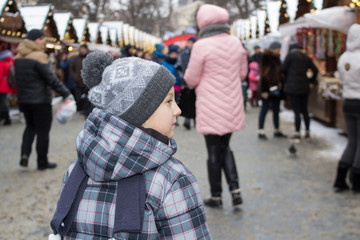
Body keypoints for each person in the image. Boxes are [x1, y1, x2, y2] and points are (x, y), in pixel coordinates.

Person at [49, 52, 211, 239]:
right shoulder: (172, 181)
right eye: (168, 101)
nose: (178, 110)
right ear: (138, 113)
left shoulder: (75, 172)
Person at [184, 4, 248, 208]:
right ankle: (235, 190)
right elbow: (242, 74)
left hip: (210, 106)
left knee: (213, 150)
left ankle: (216, 195)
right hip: (232, 105)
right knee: (226, 147)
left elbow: (191, 80)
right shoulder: (236, 42)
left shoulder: (201, 46)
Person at [15, 29, 70, 170]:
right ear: (34, 40)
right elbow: (50, 79)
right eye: (40, 38)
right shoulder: (39, 56)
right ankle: (42, 162)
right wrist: (65, 93)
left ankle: (24, 155)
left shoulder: (18, 56)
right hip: (40, 101)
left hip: (23, 100)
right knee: (43, 131)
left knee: (29, 127)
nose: (43, 41)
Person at [333, 24, 360, 193]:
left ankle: (340, 178)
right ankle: (357, 181)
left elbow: (342, 77)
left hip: (347, 101)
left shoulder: (344, 58)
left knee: (352, 142)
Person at [281, 43, 318, 140]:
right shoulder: (305, 57)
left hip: (293, 87)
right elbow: (315, 70)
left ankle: (297, 132)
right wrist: (310, 81)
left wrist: (287, 79)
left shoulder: (290, 56)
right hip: (304, 87)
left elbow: (283, 69)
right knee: (305, 110)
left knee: (296, 111)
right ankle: (307, 131)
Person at [257, 41, 287, 140]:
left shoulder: (277, 58)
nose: (279, 50)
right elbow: (264, 75)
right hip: (268, 87)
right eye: (278, 48)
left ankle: (276, 129)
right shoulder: (266, 58)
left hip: (275, 87)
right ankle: (261, 130)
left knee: (276, 109)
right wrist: (264, 90)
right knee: (265, 109)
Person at [176, 36, 197, 130]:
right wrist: (182, 77)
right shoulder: (183, 54)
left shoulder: (199, 53)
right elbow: (178, 67)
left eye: (191, 42)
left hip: (198, 82)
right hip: (186, 82)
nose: (189, 44)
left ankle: (197, 121)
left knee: (198, 102)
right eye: (189, 42)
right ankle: (187, 120)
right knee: (188, 101)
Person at [70, 44, 92, 118]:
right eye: (81, 48)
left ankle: (86, 112)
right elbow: (71, 68)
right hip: (78, 82)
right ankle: (82, 109)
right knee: (79, 98)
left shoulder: (89, 58)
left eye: (84, 49)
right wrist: (74, 76)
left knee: (87, 99)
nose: (82, 50)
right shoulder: (76, 58)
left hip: (87, 83)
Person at [0, 45, 15, 126]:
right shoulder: (11, 62)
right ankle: (4, 117)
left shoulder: (1, 63)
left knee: (2, 102)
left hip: (2, 85)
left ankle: (6, 118)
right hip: (6, 85)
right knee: (3, 101)